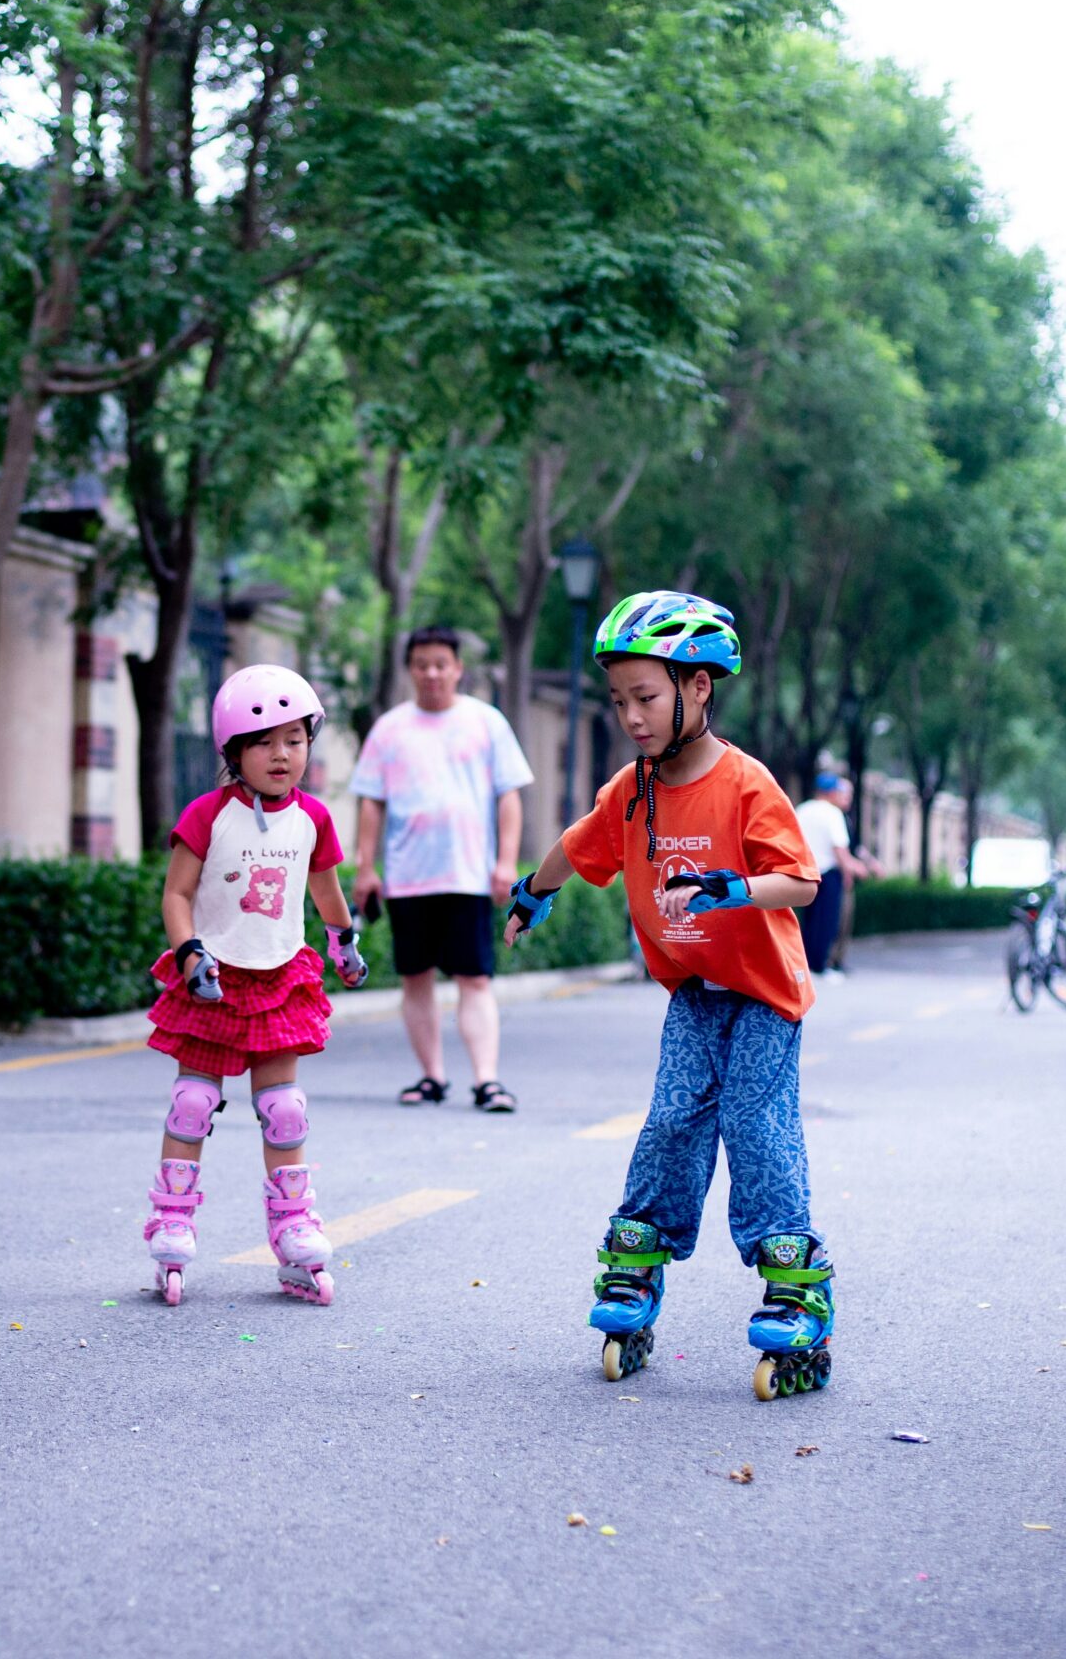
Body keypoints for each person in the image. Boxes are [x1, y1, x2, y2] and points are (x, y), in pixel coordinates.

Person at [501, 591, 831, 1401]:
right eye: (619, 700)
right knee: (674, 1119)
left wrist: (735, 890)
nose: (631, 716)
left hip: (762, 993)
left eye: (645, 696)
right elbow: (578, 848)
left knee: (753, 1123)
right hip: (693, 992)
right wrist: (530, 893)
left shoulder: (746, 784)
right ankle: (635, 1271)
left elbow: (804, 883)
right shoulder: (632, 789)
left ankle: (797, 1286)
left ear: (699, 688)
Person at [142, 665, 369, 1309]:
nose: (282, 755)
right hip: (213, 976)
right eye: (265, 741)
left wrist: (344, 943)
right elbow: (177, 893)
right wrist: (188, 954)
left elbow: (325, 888)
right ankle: (173, 1220)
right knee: (192, 1102)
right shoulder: (208, 815)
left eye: (295, 739)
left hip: (280, 978)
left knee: (285, 1110)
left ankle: (293, 1227)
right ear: (234, 751)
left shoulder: (313, 818)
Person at [349, 626, 534, 1114]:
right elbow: (371, 803)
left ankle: (487, 1080)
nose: (432, 672)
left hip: (468, 876)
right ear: (410, 669)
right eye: (422, 664)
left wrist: (505, 863)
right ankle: (431, 1077)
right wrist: (366, 868)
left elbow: (509, 795)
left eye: (441, 663)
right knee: (416, 978)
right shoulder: (390, 728)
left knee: (475, 979)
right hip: (408, 878)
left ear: (457, 668)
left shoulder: (486, 721)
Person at [793, 773, 878, 978]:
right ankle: (821, 966)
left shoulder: (802, 809)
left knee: (810, 920)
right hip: (829, 873)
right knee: (828, 920)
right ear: (832, 792)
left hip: (804, 872)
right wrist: (856, 869)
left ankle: (807, 965)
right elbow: (839, 849)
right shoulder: (833, 813)